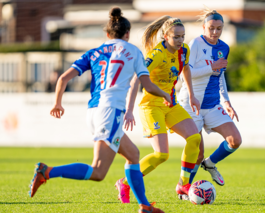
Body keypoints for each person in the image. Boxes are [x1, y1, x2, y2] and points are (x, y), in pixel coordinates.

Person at [29, 7, 170, 213]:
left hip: (94, 112)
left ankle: (145, 206)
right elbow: (147, 86)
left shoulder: (94, 52)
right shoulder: (133, 51)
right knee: (98, 171)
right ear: (128, 33)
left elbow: (62, 78)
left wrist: (57, 103)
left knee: (133, 154)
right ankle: (47, 171)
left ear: (107, 34)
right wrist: (165, 94)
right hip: (110, 112)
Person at [115, 15, 201, 203]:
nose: (180, 40)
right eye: (176, 37)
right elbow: (136, 79)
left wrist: (192, 95)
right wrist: (128, 111)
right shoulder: (156, 54)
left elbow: (185, 68)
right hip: (151, 106)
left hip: (170, 104)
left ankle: (183, 184)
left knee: (194, 138)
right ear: (165, 36)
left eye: (182, 36)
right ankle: (124, 183)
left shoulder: (184, 50)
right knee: (161, 154)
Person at [177, 8, 242, 192]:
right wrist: (211, 66)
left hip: (213, 105)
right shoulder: (194, 44)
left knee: (235, 140)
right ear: (204, 27)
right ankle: (184, 188)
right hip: (192, 105)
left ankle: (211, 163)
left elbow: (219, 76)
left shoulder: (224, 48)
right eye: (211, 28)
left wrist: (227, 102)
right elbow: (185, 74)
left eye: (219, 28)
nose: (215, 32)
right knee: (196, 154)